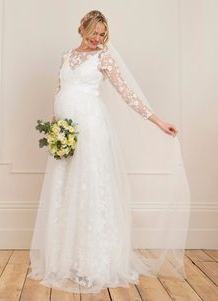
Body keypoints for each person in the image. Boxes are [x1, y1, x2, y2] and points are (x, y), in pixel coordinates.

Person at [28, 10, 190, 294]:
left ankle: (93, 264)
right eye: (94, 32)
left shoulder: (103, 58)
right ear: (82, 28)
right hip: (67, 133)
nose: (98, 39)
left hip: (91, 131)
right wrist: (55, 132)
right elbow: (59, 91)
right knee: (67, 192)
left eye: (103, 34)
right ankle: (67, 260)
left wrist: (158, 121)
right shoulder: (65, 56)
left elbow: (128, 94)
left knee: (91, 191)